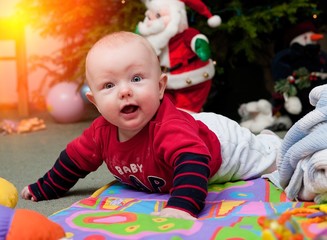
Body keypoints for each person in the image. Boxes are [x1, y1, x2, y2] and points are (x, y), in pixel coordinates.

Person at [21, 31, 281, 220]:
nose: (124, 91)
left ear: (159, 87)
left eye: (136, 78)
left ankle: (274, 143)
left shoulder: (169, 128)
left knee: (273, 159)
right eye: (109, 85)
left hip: (221, 143)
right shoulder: (101, 132)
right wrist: (45, 188)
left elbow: (192, 159)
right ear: (95, 101)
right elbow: (73, 161)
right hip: (191, 129)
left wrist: (181, 206)